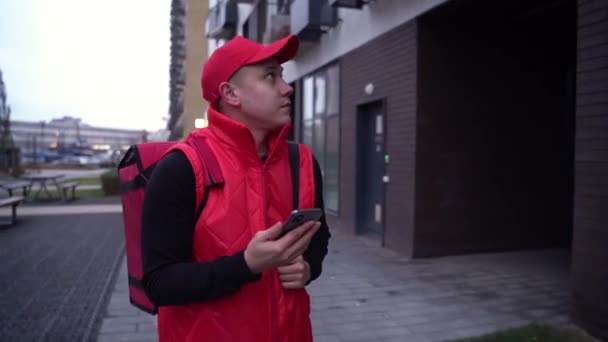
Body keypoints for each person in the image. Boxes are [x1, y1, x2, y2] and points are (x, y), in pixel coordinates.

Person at [140, 34, 331, 342]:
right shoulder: (182, 167)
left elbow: (320, 236)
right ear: (231, 94)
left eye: (282, 75)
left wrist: (309, 267)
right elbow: (159, 283)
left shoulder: (302, 161)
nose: (287, 87)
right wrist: (245, 265)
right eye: (271, 76)